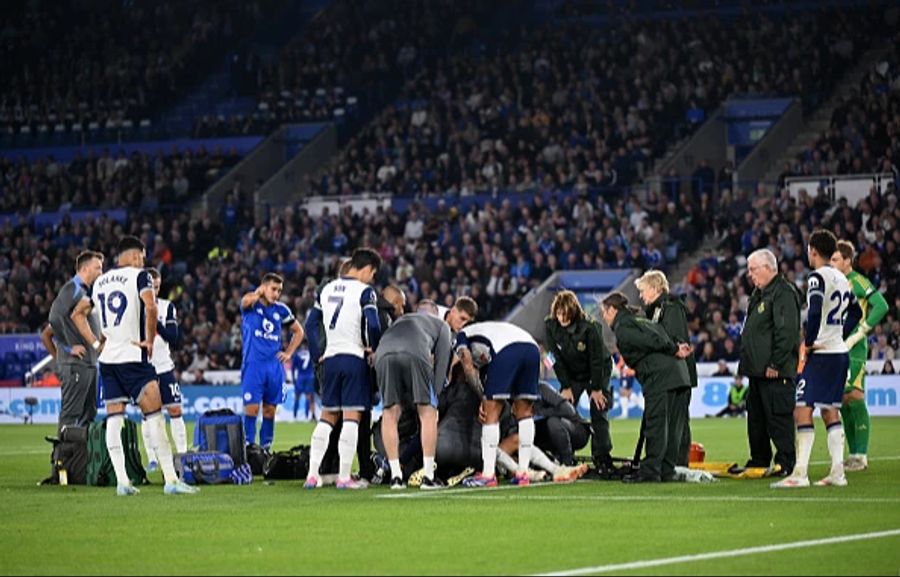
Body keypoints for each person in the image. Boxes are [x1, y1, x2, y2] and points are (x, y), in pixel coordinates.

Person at [92, 236, 196, 495]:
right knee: (154, 415)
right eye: (142, 256)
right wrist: (149, 341)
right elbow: (151, 307)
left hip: (108, 360)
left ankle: (122, 482)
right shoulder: (140, 277)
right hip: (133, 357)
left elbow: (95, 317)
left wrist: (100, 343)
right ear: (137, 255)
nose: (143, 261)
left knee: (114, 420)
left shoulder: (99, 282)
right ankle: (171, 481)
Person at [773, 230, 861, 489]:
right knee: (829, 409)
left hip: (821, 353)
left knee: (802, 409)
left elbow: (813, 312)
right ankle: (837, 472)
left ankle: (800, 473)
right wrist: (838, 334)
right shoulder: (843, 279)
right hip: (839, 352)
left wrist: (810, 342)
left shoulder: (817, 277)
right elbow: (855, 312)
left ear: (812, 250)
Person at [305, 248, 383, 490]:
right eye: (373, 273)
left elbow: (309, 325)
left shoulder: (326, 289)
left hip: (330, 359)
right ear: (367, 269)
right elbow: (374, 323)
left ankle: (312, 475)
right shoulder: (364, 291)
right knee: (352, 416)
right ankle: (344, 478)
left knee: (327, 416)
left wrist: (318, 355)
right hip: (353, 357)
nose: (371, 278)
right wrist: (373, 347)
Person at [600, 292, 692, 483]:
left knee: (656, 424)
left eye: (604, 312)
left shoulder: (624, 327)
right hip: (677, 374)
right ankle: (666, 470)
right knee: (672, 427)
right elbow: (660, 335)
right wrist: (674, 347)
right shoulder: (641, 320)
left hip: (659, 377)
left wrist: (673, 348)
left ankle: (651, 471)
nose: (603, 317)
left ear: (613, 309)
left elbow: (650, 342)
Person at [374, 299, 452, 490]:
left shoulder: (401, 319)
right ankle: (428, 476)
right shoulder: (442, 326)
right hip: (416, 350)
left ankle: (395, 477)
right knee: (427, 413)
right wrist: (435, 400)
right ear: (436, 313)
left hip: (383, 352)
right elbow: (441, 368)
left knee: (390, 413)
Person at [738, 248, 802, 477]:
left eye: (753, 269)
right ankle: (759, 459)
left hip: (775, 371)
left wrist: (775, 363)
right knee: (756, 419)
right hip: (757, 372)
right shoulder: (760, 294)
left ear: (768, 268)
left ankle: (786, 461)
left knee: (778, 418)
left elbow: (786, 332)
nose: (750, 274)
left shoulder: (782, 293)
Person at [455, 321, 541, 488]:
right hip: (532, 348)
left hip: (505, 350)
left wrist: (482, 398)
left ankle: (488, 474)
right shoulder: (489, 329)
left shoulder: (462, 334)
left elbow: (467, 364)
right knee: (525, 413)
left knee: (491, 413)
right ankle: (523, 473)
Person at [831, 240, 889, 472]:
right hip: (836, 347)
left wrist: (862, 331)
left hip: (854, 349)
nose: (832, 263)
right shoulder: (835, 283)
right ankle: (853, 455)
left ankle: (861, 456)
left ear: (848, 260)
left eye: (836, 259)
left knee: (854, 395)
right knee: (843, 400)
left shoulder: (858, 281)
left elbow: (881, 305)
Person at [543, 290, 614, 473]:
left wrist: (597, 388)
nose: (562, 318)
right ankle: (564, 452)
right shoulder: (551, 326)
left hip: (596, 371)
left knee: (598, 408)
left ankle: (602, 457)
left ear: (574, 311)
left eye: (566, 314)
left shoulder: (590, 327)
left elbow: (597, 359)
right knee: (562, 407)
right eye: (559, 314)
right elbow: (553, 357)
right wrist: (566, 386)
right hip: (572, 374)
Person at [635, 270, 698, 467]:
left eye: (643, 290)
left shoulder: (670, 307)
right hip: (671, 376)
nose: (641, 295)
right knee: (676, 423)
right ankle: (676, 463)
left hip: (677, 376)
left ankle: (675, 465)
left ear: (655, 288)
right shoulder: (656, 310)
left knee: (676, 423)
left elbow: (676, 343)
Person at [240, 273, 305, 449]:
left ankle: (265, 450)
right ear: (264, 287)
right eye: (273, 289)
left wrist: (289, 352)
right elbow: (245, 301)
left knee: (270, 411)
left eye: (279, 291)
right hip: (253, 366)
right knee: (252, 409)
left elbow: (299, 332)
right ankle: (249, 449)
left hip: (274, 367)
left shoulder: (281, 310)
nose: (276, 294)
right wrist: (258, 292)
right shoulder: (251, 305)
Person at [41, 250, 104, 431]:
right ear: (84, 269)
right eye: (97, 268)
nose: (101, 272)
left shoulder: (84, 295)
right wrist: (67, 350)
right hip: (77, 364)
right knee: (71, 414)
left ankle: (81, 457)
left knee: (89, 414)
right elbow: (53, 318)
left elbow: (50, 330)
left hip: (89, 364)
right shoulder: (72, 289)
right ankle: (63, 458)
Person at [141, 268, 188, 472]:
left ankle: (183, 456)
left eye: (158, 286)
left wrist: (155, 322)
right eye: (153, 286)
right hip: (144, 367)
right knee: (149, 414)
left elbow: (174, 336)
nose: (156, 289)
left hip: (164, 366)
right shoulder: (135, 307)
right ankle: (152, 458)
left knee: (175, 410)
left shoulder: (167, 307)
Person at [532, 380, 591, 467]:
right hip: (549, 435)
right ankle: (549, 462)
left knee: (552, 422)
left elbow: (568, 410)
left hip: (577, 430)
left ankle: (567, 462)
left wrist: (540, 413)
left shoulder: (541, 388)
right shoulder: (513, 397)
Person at [292, 342, 316, 421]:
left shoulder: (297, 354)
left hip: (300, 377)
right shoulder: (311, 354)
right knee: (308, 397)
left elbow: (293, 368)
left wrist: (293, 379)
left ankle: (294, 416)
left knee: (297, 397)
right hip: (310, 377)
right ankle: (306, 416)